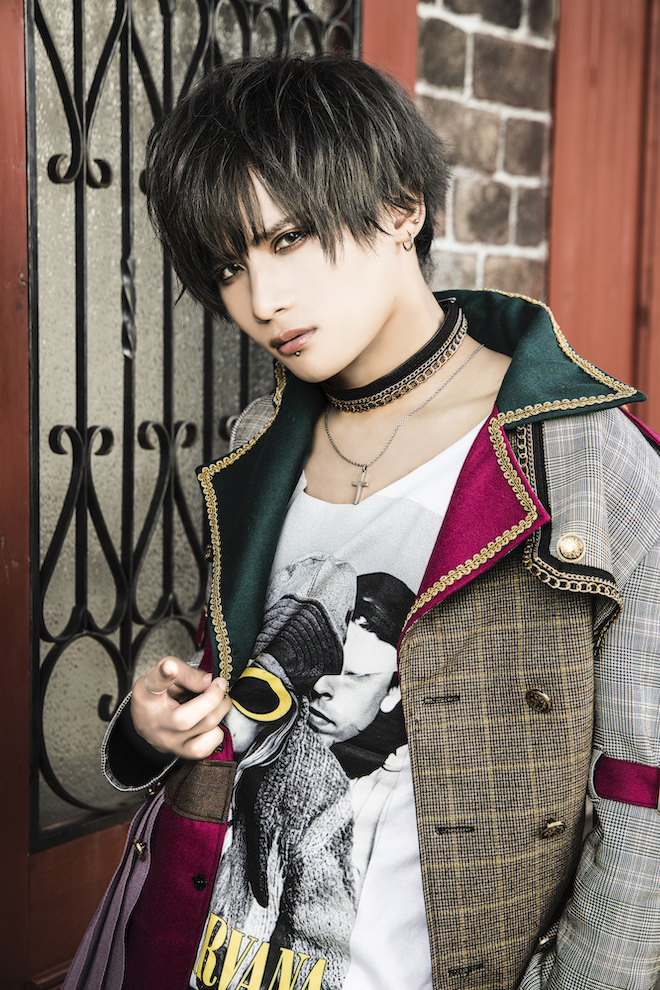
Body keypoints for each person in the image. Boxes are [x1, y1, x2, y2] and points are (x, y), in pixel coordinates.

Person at [71, 54, 660, 990]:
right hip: (206, 944)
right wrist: (159, 726)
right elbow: (249, 692)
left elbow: (642, 799)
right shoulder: (259, 441)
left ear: (401, 208)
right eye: (229, 266)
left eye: (289, 238)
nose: (261, 301)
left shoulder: (589, 458)